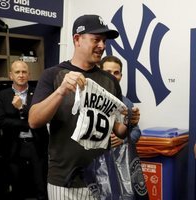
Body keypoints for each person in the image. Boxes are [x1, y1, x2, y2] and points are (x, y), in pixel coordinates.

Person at [28, 14, 140, 200]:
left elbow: (118, 130)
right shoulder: (53, 75)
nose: (102, 46)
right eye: (96, 39)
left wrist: (128, 121)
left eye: (104, 41)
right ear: (77, 39)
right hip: (64, 180)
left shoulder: (110, 81)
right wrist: (61, 91)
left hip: (102, 177)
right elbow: (33, 121)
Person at [0, 60, 49, 200]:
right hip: (13, 147)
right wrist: (29, 123)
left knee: (41, 188)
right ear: (10, 75)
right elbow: (2, 122)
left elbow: (42, 118)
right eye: (17, 72)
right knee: (17, 189)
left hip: (36, 145)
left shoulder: (39, 93)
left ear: (29, 74)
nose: (21, 75)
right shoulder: (2, 95)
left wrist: (21, 108)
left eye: (24, 72)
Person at [99, 55, 141, 147]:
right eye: (108, 72)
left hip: (116, 159)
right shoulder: (91, 97)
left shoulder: (126, 103)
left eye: (116, 72)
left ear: (120, 76)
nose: (112, 76)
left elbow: (136, 131)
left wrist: (123, 140)